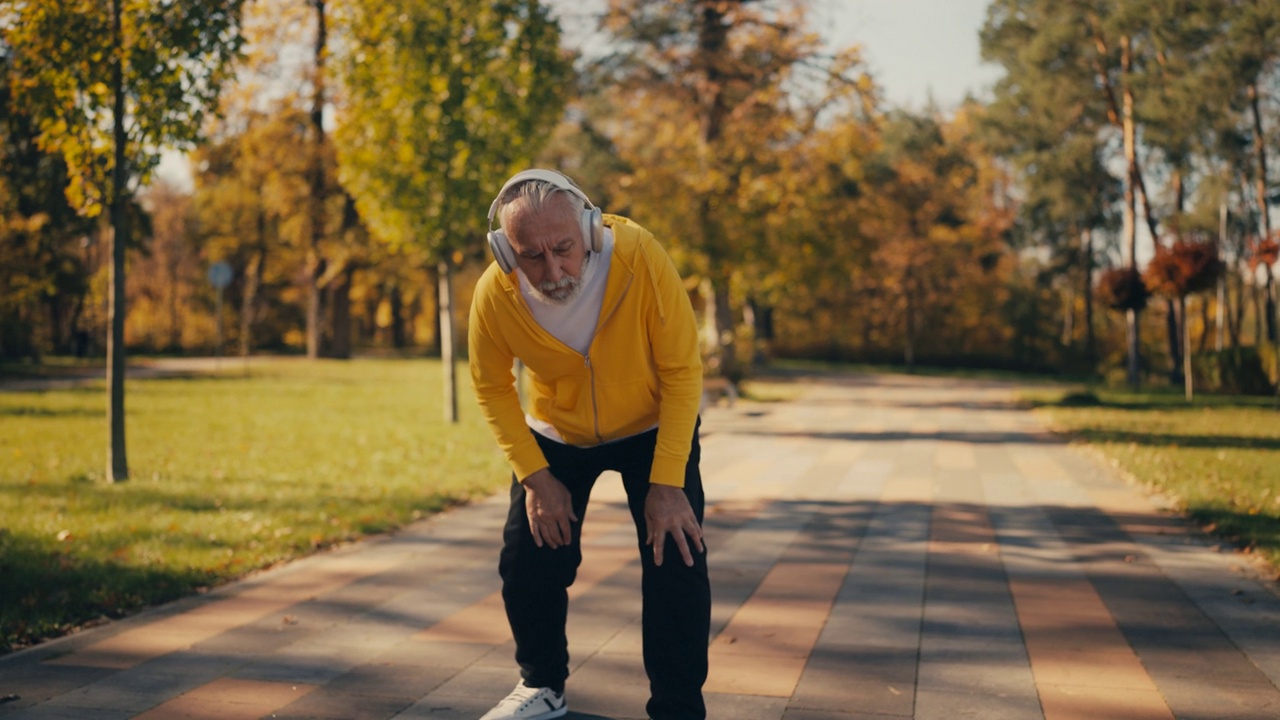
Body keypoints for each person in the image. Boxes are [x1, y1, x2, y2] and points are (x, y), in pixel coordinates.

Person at [469, 169, 711, 720]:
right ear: (506, 251)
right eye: (531, 256)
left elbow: (682, 369)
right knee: (527, 559)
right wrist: (535, 475)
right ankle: (542, 687)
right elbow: (490, 385)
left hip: (653, 425)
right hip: (559, 432)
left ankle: (677, 708)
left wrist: (667, 481)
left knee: (676, 556)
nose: (552, 270)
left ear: (589, 231)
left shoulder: (639, 257)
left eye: (563, 249)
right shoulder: (496, 294)